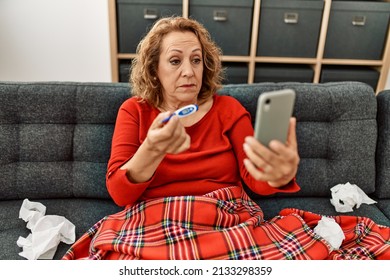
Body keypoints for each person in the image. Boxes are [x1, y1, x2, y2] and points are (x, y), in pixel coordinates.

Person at [63, 17, 389, 260]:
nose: (189, 71)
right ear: (154, 69)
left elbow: (255, 181)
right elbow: (120, 193)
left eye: (196, 59)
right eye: (175, 61)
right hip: (155, 217)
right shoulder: (134, 110)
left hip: (225, 215)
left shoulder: (227, 109)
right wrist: (152, 149)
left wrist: (277, 174)